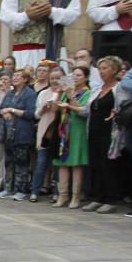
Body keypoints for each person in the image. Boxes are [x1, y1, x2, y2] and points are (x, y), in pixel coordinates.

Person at [82, 56, 124, 214]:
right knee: (95, 164)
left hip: (110, 132)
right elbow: (86, 110)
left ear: (114, 70)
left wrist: (117, 113)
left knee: (108, 165)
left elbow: (124, 106)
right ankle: (98, 197)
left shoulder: (119, 88)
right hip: (94, 131)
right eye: (100, 68)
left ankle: (111, 198)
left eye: (105, 68)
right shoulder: (97, 89)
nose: (101, 71)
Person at [0, 69, 38, 201]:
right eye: (14, 75)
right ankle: (8, 188)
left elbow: (31, 114)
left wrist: (12, 110)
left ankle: (21, 189)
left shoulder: (30, 94)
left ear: (25, 79)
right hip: (8, 132)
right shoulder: (10, 93)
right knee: (9, 162)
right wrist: (4, 112)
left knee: (22, 162)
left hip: (22, 132)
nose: (15, 77)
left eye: (19, 76)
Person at [53, 66, 91, 208]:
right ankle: (63, 195)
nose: (75, 78)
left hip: (77, 129)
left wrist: (70, 96)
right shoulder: (67, 90)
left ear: (86, 78)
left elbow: (82, 110)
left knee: (76, 163)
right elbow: (56, 108)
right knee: (62, 162)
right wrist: (58, 93)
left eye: (79, 75)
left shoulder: (87, 92)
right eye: (74, 75)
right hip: (64, 129)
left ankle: (75, 197)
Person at [31, 66, 67, 202]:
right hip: (45, 130)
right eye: (52, 78)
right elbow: (36, 114)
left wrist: (58, 94)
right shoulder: (43, 93)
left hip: (60, 131)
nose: (54, 81)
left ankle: (57, 193)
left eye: (58, 78)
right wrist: (43, 109)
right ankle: (35, 191)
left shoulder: (66, 93)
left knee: (57, 164)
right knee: (41, 163)